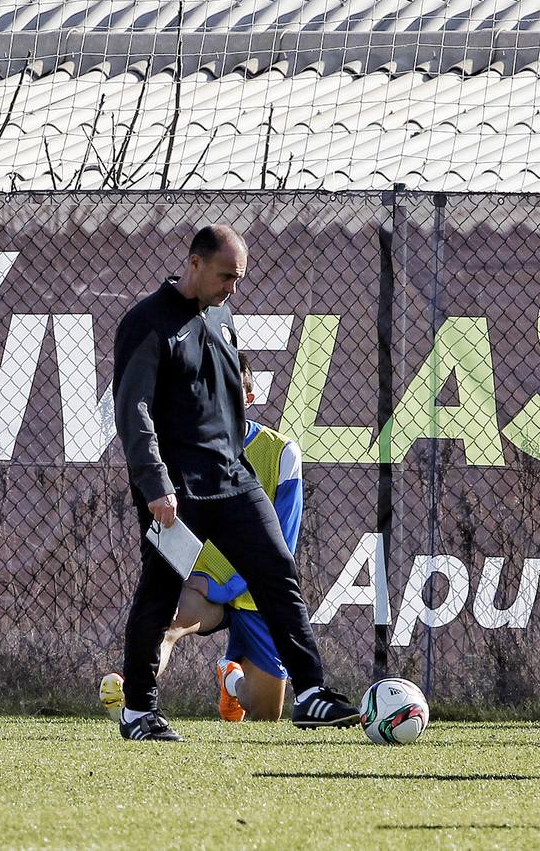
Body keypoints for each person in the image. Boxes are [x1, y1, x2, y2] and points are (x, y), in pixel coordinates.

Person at [107, 224, 357, 741]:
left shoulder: (221, 317)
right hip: (177, 493)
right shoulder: (147, 322)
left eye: (239, 278)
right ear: (194, 264)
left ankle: (311, 693)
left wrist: (236, 463)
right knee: (159, 593)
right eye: (225, 276)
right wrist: (155, 484)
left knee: (277, 573)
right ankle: (139, 711)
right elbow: (134, 411)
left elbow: (226, 405)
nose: (232, 289)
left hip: (233, 480)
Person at [103, 354, 302, 722]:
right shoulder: (185, 449)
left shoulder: (282, 453)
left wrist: (227, 589)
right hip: (204, 584)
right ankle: (131, 694)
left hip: (257, 597)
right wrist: (172, 578)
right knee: (167, 623)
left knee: (264, 715)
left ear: (250, 398)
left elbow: (281, 549)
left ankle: (231, 679)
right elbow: (175, 524)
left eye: (233, 394)